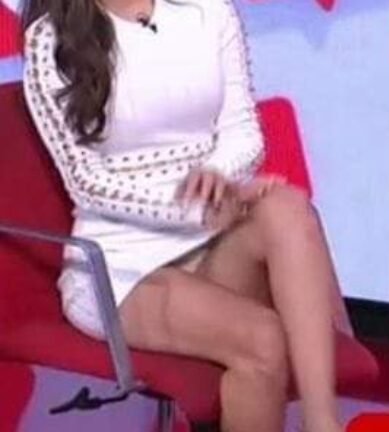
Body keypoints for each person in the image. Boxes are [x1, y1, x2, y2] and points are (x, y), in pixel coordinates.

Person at [22, 1, 343, 431]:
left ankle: (323, 423)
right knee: (262, 340)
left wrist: (220, 177)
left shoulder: (211, 12)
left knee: (289, 209)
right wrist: (198, 209)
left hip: (209, 240)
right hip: (118, 265)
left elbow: (243, 131)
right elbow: (86, 182)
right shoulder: (50, 39)